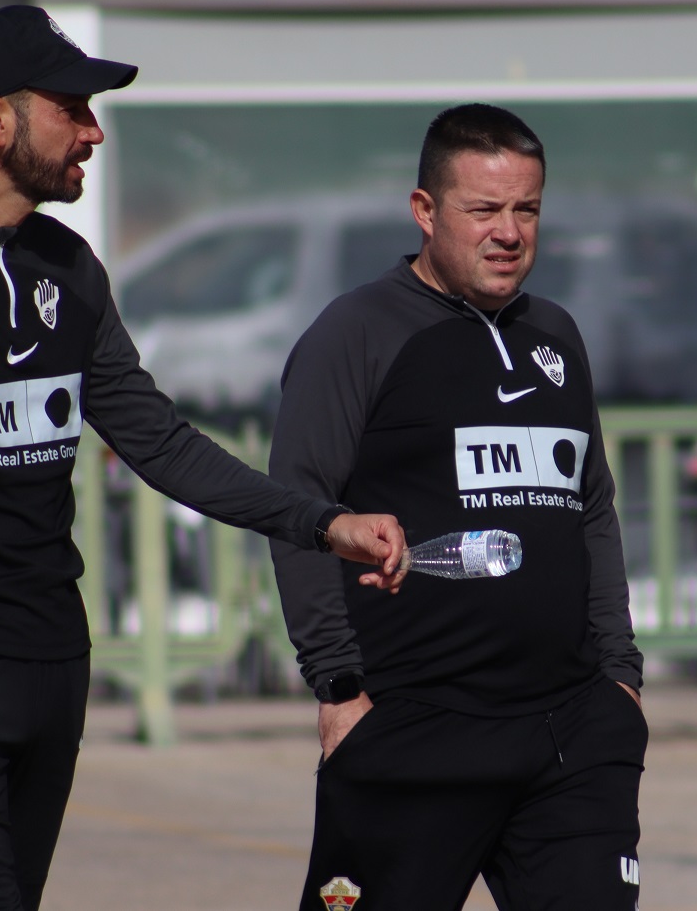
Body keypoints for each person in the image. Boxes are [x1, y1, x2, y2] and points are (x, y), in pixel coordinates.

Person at [0, 5, 406, 911]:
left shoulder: (68, 266)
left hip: (54, 661)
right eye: (71, 107)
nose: (93, 131)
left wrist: (323, 523)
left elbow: (157, 442)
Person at [268, 103, 647, 910]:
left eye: (526, 209)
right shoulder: (358, 332)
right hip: (414, 728)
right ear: (425, 211)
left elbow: (592, 510)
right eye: (483, 210)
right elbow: (299, 511)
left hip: (570, 734)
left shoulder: (557, 334)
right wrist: (338, 688)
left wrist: (619, 675)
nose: (508, 232)